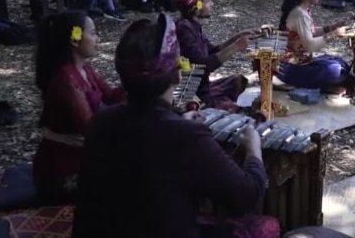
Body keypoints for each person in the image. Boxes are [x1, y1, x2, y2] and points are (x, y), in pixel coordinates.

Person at [72, 14, 279, 238]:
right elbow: (247, 196)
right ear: (178, 76)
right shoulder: (185, 135)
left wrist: (181, 124)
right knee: (268, 226)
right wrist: (253, 149)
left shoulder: (101, 121)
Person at [32, 11, 126, 203]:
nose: (98, 38)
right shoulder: (66, 79)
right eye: (92, 33)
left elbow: (111, 96)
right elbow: (91, 129)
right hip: (62, 172)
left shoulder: (84, 69)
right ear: (75, 39)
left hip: (81, 157)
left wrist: (140, 78)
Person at [174, 0, 268, 110]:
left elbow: (212, 50)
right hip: (194, 94)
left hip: (204, 86)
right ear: (197, 6)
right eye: (208, 1)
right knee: (240, 111)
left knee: (237, 81)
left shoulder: (193, 26)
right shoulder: (184, 30)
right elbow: (205, 65)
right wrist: (235, 47)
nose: (212, 4)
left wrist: (238, 36)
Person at [277, 0, 355, 94]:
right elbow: (309, 46)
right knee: (336, 70)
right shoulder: (299, 13)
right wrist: (334, 34)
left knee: (341, 63)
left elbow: (310, 32)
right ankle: (325, 87)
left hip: (301, 63)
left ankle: (329, 85)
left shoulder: (303, 10)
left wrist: (333, 26)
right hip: (291, 68)